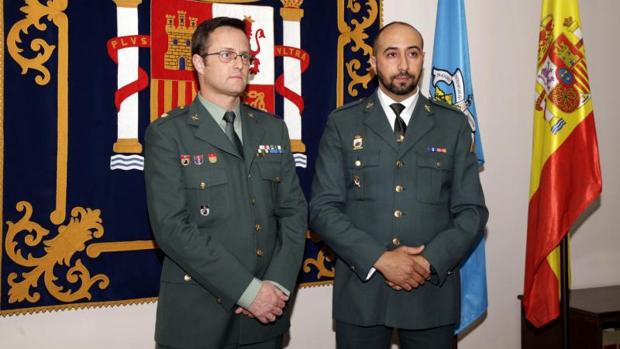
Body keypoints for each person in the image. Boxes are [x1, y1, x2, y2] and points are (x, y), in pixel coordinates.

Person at [309, 21, 488, 349]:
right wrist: (381, 258)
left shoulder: (452, 124)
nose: (403, 65)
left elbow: (472, 212)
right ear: (374, 62)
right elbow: (322, 209)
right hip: (363, 294)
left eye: (413, 54)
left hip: (430, 293)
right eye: (391, 54)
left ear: (422, 59)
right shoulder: (343, 123)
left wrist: (427, 262)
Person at [144, 17, 307, 349]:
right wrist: (248, 292)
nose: (239, 64)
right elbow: (172, 229)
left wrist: (275, 286)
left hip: (266, 318)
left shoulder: (272, 129)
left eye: (245, 56)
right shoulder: (168, 134)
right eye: (227, 54)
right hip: (198, 319)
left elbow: (293, 212)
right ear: (199, 63)